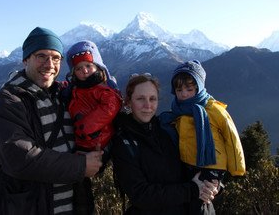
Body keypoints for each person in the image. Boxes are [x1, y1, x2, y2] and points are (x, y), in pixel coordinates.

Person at [0, 27, 103, 215]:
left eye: (56, 58)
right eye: (41, 56)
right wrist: (81, 165)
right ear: (25, 59)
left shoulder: (64, 96)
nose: (49, 64)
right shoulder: (6, 102)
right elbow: (21, 158)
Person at [111, 73, 218, 215]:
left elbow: (201, 162)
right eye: (140, 99)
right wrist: (193, 190)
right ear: (129, 102)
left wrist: (213, 185)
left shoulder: (170, 128)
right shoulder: (124, 143)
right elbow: (142, 195)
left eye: (152, 99)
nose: (148, 105)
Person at [160, 60, 246, 214]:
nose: (184, 93)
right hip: (189, 164)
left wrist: (237, 168)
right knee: (190, 198)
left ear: (199, 87)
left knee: (201, 201)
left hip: (212, 164)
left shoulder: (213, 109)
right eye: (179, 90)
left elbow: (231, 138)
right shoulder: (178, 112)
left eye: (189, 89)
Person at [64, 40, 122, 156]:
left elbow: (110, 106)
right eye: (78, 69)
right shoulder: (76, 89)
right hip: (80, 140)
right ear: (74, 73)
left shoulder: (102, 90)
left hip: (97, 141)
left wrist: (86, 126)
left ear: (98, 67)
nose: (84, 71)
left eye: (88, 66)